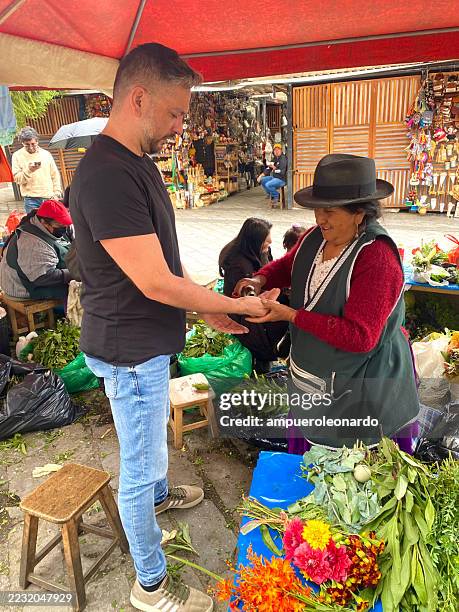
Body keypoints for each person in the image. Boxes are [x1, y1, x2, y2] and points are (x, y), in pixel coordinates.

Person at [69, 42, 267, 612]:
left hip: (145, 344)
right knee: (139, 465)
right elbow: (154, 283)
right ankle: (150, 584)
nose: (182, 126)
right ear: (138, 98)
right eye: (176, 113)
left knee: (150, 447)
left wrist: (208, 307)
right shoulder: (105, 175)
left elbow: (165, 259)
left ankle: (157, 497)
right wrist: (246, 308)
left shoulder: (138, 164)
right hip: (128, 350)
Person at [235, 154, 419, 453]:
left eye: (331, 211)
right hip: (313, 382)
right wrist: (260, 280)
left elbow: (361, 337)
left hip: (362, 389)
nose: (321, 218)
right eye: (318, 209)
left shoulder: (376, 258)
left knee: (352, 480)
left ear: (360, 213)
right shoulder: (315, 238)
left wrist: (292, 315)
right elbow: (287, 265)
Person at [219, 218, 288, 372]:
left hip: (258, 304)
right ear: (255, 241)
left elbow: (270, 268)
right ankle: (259, 369)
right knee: (257, 343)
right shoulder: (238, 264)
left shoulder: (259, 250)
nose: (269, 243)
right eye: (266, 241)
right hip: (245, 312)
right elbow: (243, 300)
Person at [0, 199, 72, 300]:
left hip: (41, 276)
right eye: (60, 226)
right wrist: (75, 273)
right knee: (80, 290)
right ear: (44, 223)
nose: (63, 229)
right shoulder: (32, 243)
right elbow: (43, 277)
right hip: (24, 287)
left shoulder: (50, 227)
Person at [12, 127, 62, 213]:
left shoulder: (46, 154)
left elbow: (55, 175)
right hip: (30, 199)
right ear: (22, 143)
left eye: (33, 144)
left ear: (37, 141)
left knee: (52, 225)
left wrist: (57, 193)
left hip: (49, 197)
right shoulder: (17, 156)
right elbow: (17, 179)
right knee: (34, 226)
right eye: (27, 145)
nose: (31, 147)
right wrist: (29, 170)